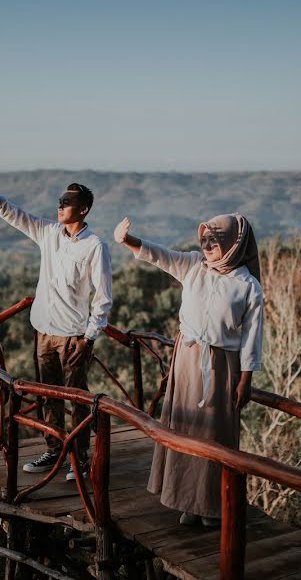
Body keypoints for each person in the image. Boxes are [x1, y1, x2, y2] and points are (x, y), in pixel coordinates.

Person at [113, 213, 264, 526]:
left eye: (215, 240)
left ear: (233, 244)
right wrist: (127, 241)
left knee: (214, 434)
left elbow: (252, 336)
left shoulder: (248, 286)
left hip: (223, 366)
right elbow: (161, 256)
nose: (207, 246)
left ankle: (210, 505)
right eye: (205, 239)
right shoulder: (194, 266)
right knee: (184, 426)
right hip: (187, 358)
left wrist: (245, 379)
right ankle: (185, 501)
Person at [0, 179, 113, 480]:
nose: (60, 207)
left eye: (66, 203)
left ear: (83, 210)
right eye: (60, 202)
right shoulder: (49, 233)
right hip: (43, 330)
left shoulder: (95, 247)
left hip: (73, 336)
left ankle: (79, 459)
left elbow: (103, 298)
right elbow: (19, 217)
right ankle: (54, 450)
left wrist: (89, 337)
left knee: (77, 398)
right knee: (47, 395)